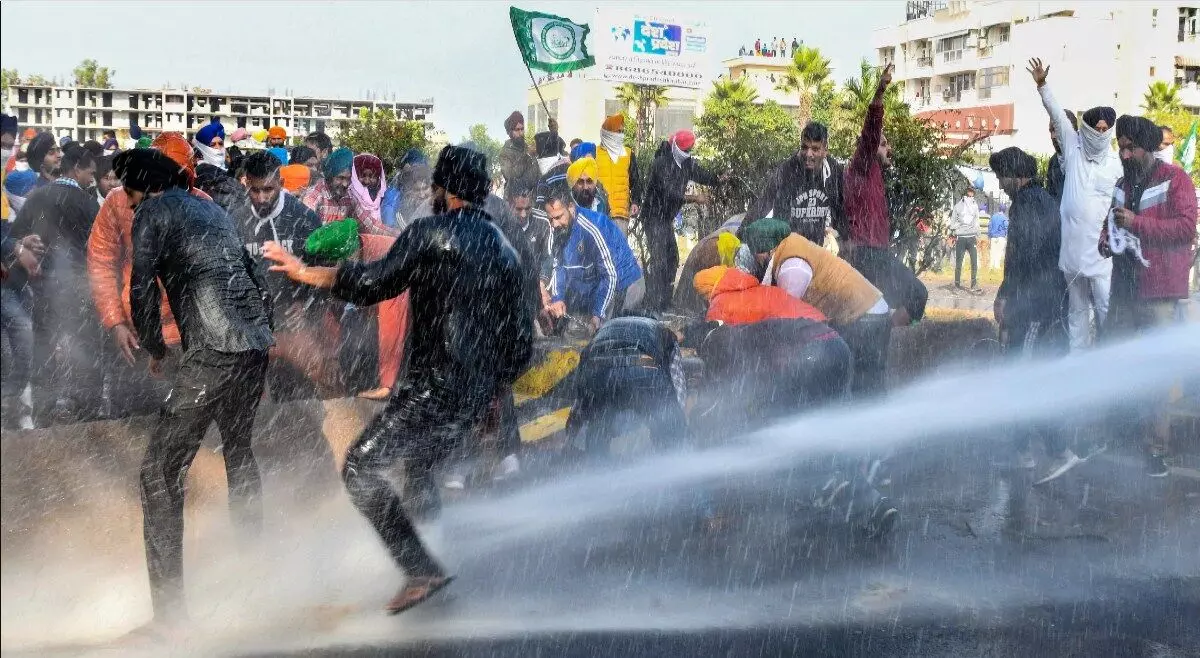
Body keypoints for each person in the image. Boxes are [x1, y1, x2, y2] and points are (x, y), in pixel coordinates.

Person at [262, 144, 534, 615]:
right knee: (421, 468)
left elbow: (373, 283)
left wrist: (305, 272)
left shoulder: (430, 233)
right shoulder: (505, 249)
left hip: (435, 386)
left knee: (360, 468)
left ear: (443, 189)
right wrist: (494, 392)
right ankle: (434, 560)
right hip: (471, 390)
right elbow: (519, 339)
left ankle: (421, 568)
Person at [116, 148, 274, 633]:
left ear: (138, 186)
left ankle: (169, 618)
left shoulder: (152, 212)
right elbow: (251, 277)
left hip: (214, 349)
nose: (125, 198)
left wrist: (153, 348)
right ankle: (259, 577)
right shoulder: (210, 207)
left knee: (158, 475)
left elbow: (142, 286)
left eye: (126, 189)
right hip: (254, 344)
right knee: (239, 451)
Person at [1102, 116, 1197, 477]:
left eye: (1131, 146)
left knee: (1156, 373)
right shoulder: (1121, 184)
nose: (1125, 153)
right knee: (1121, 365)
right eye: (1121, 146)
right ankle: (1126, 434)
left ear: (1148, 146)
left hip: (1157, 294)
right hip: (1124, 292)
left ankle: (1157, 448)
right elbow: (1111, 223)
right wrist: (1105, 241)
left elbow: (1186, 228)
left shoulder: (1176, 180)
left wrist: (1136, 224)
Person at [87, 132, 207, 419]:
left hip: (186, 332)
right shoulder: (119, 202)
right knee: (133, 413)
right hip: (135, 331)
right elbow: (101, 262)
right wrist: (115, 321)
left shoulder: (203, 206)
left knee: (188, 416)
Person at [989, 147, 1076, 484]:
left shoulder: (1028, 203)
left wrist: (1006, 297)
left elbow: (1022, 256)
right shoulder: (1041, 200)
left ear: (1015, 174)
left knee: (1026, 378)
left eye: (1001, 177)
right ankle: (1022, 450)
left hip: (1036, 305)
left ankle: (1060, 450)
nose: (1000, 184)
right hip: (1042, 301)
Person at [1028, 57, 1123, 350]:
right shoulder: (1073, 149)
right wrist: (1042, 85)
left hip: (1100, 254)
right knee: (1077, 311)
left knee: (1106, 310)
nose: (1101, 132)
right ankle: (1078, 361)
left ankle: (1109, 361)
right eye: (1097, 126)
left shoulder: (1116, 164)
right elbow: (1057, 116)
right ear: (1088, 128)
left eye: (1107, 128)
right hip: (1071, 251)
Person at [742, 219, 892, 398]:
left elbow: (786, 315)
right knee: (858, 381)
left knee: (863, 382)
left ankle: (867, 421)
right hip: (866, 312)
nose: (754, 259)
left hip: (865, 316)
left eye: (754, 252)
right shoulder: (790, 245)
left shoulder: (792, 265)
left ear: (763, 248)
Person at [11, 143, 103, 423]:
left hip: (43, 286)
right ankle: (86, 407)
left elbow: (15, 238)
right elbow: (99, 248)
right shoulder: (88, 203)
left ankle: (45, 406)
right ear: (76, 168)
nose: (93, 179)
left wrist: (25, 252)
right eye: (90, 173)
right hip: (80, 287)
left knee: (45, 345)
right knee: (85, 346)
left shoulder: (37, 197)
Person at [840, 63, 928, 327]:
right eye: (883, 143)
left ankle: (881, 341)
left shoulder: (873, 172)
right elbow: (870, 132)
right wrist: (880, 92)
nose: (888, 148)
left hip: (871, 254)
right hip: (869, 256)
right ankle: (887, 340)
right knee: (917, 295)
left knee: (876, 311)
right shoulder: (863, 165)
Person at [564, 314, 688, 458]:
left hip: (600, 372)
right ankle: (672, 460)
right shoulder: (662, 332)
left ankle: (597, 464)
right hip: (643, 370)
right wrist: (678, 422)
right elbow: (677, 382)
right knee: (663, 416)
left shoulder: (603, 332)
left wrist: (571, 433)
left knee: (599, 420)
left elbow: (582, 392)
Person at [639, 129, 725, 310]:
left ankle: (665, 301)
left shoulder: (686, 163)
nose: (688, 153)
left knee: (672, 259)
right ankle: (653, 303)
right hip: (653, 217)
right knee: (660, 260)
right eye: (686, 150)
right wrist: (696, 198)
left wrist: (719, 178)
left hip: (665, 219)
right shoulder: (661, 164)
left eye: (690, 150)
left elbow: (703, 175)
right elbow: (669, 192)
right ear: (676, 147)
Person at [544, 184, 644, 332]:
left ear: (571, 207)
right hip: (593, 284)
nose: (555, 224)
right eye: (551, 219)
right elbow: (559, 267)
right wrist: (558, 298)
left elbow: (610, 276)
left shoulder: (592, 227)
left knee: (606, 334)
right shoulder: (556, 229)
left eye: (559, 217)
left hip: (624, 284)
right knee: (574, 331)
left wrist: (598, 314)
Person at [745, 121, 844, 245]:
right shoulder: (786, 171)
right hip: (788, 246)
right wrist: (742, 235)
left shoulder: (834, 172)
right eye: (804, 147)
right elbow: (763, 204)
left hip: (820, 248)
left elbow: (841, 211)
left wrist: (843, 238)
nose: (808, 154)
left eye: (815, 149)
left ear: (825, 151)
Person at [595, 114, 642, 234]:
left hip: (621, 215)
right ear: (607, 132)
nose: (621, 135)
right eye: (618, 131)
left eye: (622, 131)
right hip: (599, 214)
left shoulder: (628, 153)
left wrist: (636, 201)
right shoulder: (595, 153)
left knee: (619, 251)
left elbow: (635, 181)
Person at [192, 118, 244, 211]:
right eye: (212, 145)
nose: (217, 148)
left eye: (220, 144)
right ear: (202, 147)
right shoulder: (203, 172)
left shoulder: (226, 167)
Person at [302, 147, 356, 224]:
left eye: (348, 178)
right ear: (330, 176)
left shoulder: (349, 196)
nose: (345, 184)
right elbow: (305, 228)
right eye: (340, 178)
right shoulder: (314, 196)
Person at [348, 153, 397, 236]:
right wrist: (392, 232)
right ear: (356, 175)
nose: (366, 181)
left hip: (378, 239)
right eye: (363, 176)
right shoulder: (351, 194)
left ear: (378, 178)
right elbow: (368, 224)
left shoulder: (382, 196)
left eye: (371, 176)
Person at [499, 111, 539, 197]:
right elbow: (510, 176)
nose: (521, 133)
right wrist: (527, 155)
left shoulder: (528, 148)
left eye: (522, 129)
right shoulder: (505, 152)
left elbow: (537, 174)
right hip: (514, 201)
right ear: (510, 132)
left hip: (532, 199)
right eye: (517, 130)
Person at [950, 188, 982, 291]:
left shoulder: (975, 206)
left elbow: (977, 222)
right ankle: (957, 285)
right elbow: (952, 224)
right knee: (959, 262)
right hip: (961, 238)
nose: (971, 198)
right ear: (964, 196)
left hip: (972, 238)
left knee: (974, 262)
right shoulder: (957, 207)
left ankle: (973, 284)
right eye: (969, 196)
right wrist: (959, 226)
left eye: (972, 196)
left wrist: (978, 236)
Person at [1045, 109, 1077, 202]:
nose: (1052, 136)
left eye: (1056, 129)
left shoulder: (1085, 157)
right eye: (1051, 131)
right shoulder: (1053, 162)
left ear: (1072, 130)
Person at [987, 203, 1009, 271]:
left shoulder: (993, 216)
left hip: (993, 237)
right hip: (1001, 237)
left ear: (999, 209)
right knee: (999, 252)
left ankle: (991, 266)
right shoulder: (1005, 218)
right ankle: (997, 266)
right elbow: (1006, 228)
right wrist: (1006, 235)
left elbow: (990, 227)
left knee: (992, 251)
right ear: (1004, 210)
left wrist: (989, 236)